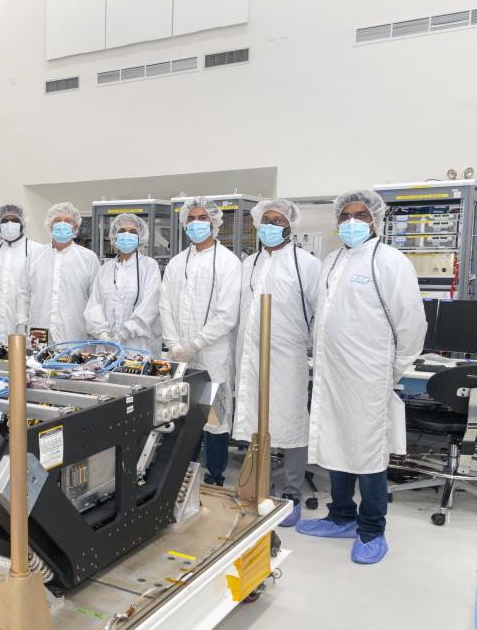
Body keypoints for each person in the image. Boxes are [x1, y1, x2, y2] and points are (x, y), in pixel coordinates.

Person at [296, 190, 426, 564]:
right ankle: (341, 517)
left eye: (361, 215)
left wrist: (392, 369)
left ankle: (372, 529)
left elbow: (411, 323)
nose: (352, 221)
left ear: (376, 220)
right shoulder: (332, 260)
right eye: (346, 215)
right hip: (331, 372)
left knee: (368, 453)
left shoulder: (391, 262)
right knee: (337, 442)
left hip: (369, 374)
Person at [233, 199, 321, 527]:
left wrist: (308, 346)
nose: (269, 225)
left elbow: (318, 312)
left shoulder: (307, 264)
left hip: (288, 356)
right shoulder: (248, 263)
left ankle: (292, 491)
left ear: (289, 225)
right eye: (265, 219)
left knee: (292, 422)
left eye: (277, 220)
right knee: (257, 422)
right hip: (251, 355)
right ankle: (259, 486)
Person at [160, 197, 242, 486]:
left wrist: (194, 344)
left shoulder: (229, 262)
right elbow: (165, 305)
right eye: (191, 218)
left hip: (212, 353)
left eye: (202, 218)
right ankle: (184, 472)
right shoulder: (176, 262)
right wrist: (174, 345)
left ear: (215, 223)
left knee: (214, 417)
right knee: (183, 413)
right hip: (179, 353)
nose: (196, 223)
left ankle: (215, 474)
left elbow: (226, 314)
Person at [17, 202, 100, 343]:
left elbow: (96, 300)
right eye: (57, 220)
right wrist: (21, 324)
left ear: (76, 227)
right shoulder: (35, 257)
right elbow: (24, 293)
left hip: (75, 335)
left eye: (68, 221)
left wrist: (95, 333)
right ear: (50, 225)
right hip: (39, 334)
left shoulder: (88, 258)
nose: (62, 224)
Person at [84, 212, 161, 354]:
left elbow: (150, 307)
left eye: (133, 232)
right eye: (122, 231)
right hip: (105, 348)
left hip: (137, 348)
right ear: (114, 236)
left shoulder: (149, 266)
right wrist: (103, 335)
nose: (127, 235)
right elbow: (94, 306)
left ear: (140, 237)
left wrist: (122, 335)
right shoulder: (105, 269)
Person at [0, 204, 44, 337]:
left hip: (26, 324)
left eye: (15, 220)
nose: (9, 224)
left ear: (23, 223)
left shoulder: (37, 251)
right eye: (4, 221)